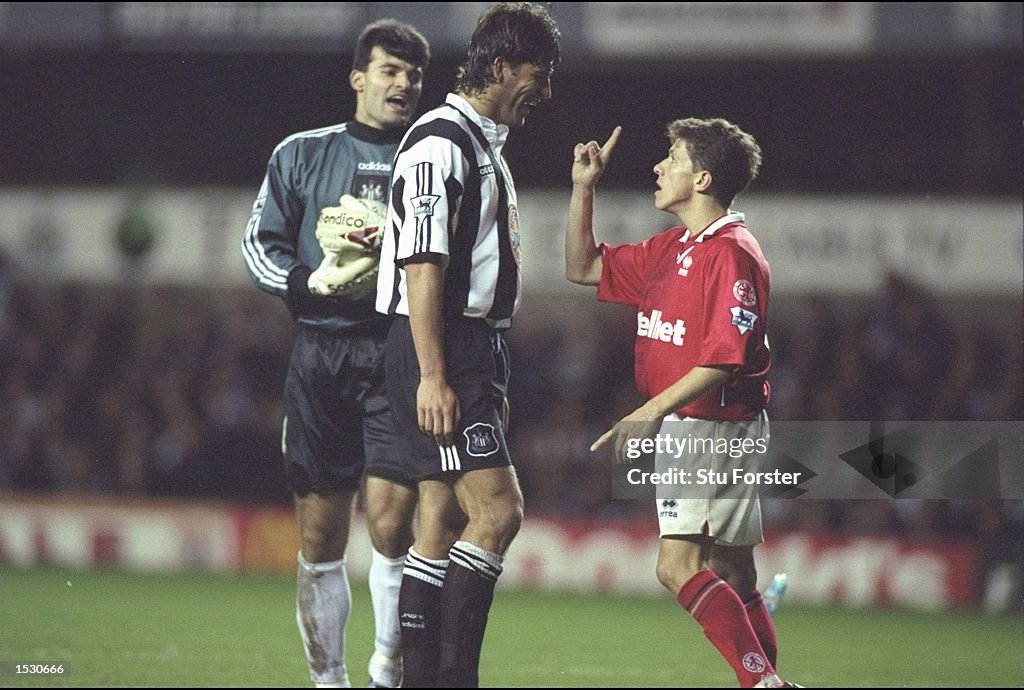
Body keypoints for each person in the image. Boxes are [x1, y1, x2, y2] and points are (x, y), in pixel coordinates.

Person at [565, 118, 798, 688]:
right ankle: (766, 682)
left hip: (710, 426)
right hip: (707, 426)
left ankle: (762, 684)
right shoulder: (673, 248)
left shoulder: (732, 253)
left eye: (672, 157)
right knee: (735, 574)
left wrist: (649, 411)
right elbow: (583, 267)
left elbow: (725, 358)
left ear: (702, 177)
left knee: (676, 567)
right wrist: (583, 188)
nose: (658, 166)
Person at [375, 3, 561, 687]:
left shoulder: (480, 144)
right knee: (499, 511)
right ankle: (453, 680)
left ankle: (418, 679)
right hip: (445, 346)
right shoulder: (440, 143)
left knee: (443, 518)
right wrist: (435, 373)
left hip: (469, 349)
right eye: (537, 77)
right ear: (501, 66)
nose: (544, 94)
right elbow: (422, 265)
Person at [241, 20, 430, 688]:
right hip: (321, 353)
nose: (402, 85)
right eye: (389, 71)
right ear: (358, 78)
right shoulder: (301, 154)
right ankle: (330, 682)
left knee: (391, 520)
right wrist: (307, 280)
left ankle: (386, 671)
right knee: (321, 543)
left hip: (397, 351)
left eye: (412, 75)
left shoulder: (431, 157)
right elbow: (259, 245)